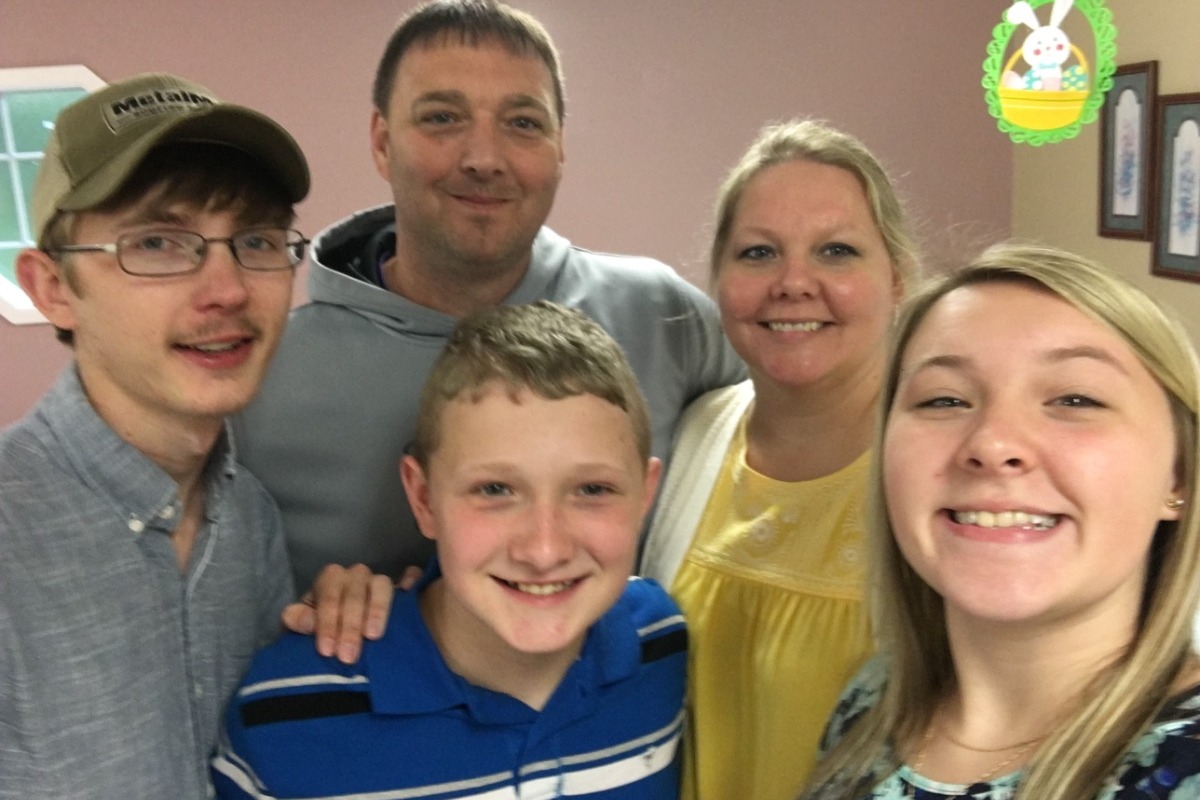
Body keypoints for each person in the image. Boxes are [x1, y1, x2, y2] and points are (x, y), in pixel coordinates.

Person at [234, 0, 744, 591]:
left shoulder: (662, 317)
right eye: (442, 118)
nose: (483, 159)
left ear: (559, 146)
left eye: (522, 123)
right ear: (382, 142)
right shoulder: (262, 376)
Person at [0, 73, 389, 798]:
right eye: (157, 243)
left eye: (256, 240)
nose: (229, 289)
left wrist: (345, 627)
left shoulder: (250, 520)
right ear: (52, 288)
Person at [213, 301, 686, 799]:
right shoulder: (283, 718)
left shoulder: (662, 643)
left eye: (592, 490)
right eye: (495, 490)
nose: (544, 550)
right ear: (423, 499)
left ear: (645, 496)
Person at [803, 243, 1200, 800]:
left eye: (1075, 399)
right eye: (944, 401)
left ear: (1178, 475)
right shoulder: (871, 700)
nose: (992, 445)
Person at [640, 119, 919, 799]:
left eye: (836, 251)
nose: (794, 282)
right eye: (759, 253)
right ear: (719, 279)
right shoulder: (693, 435)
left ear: (897, 279)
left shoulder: (936, 468)